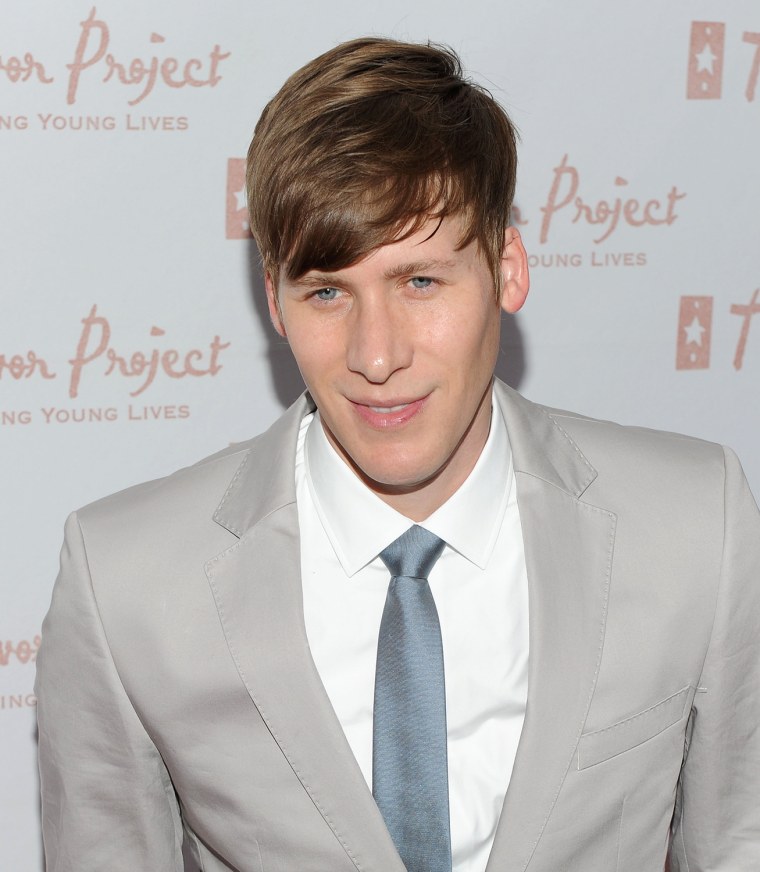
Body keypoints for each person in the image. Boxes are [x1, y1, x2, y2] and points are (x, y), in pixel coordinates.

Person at [36, 37, 759, 872]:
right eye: (328, 292)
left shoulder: (697, 524)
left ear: (507, 271)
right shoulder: (125, 582)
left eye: (420, 282)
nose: (376, 356)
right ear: (274, 302)